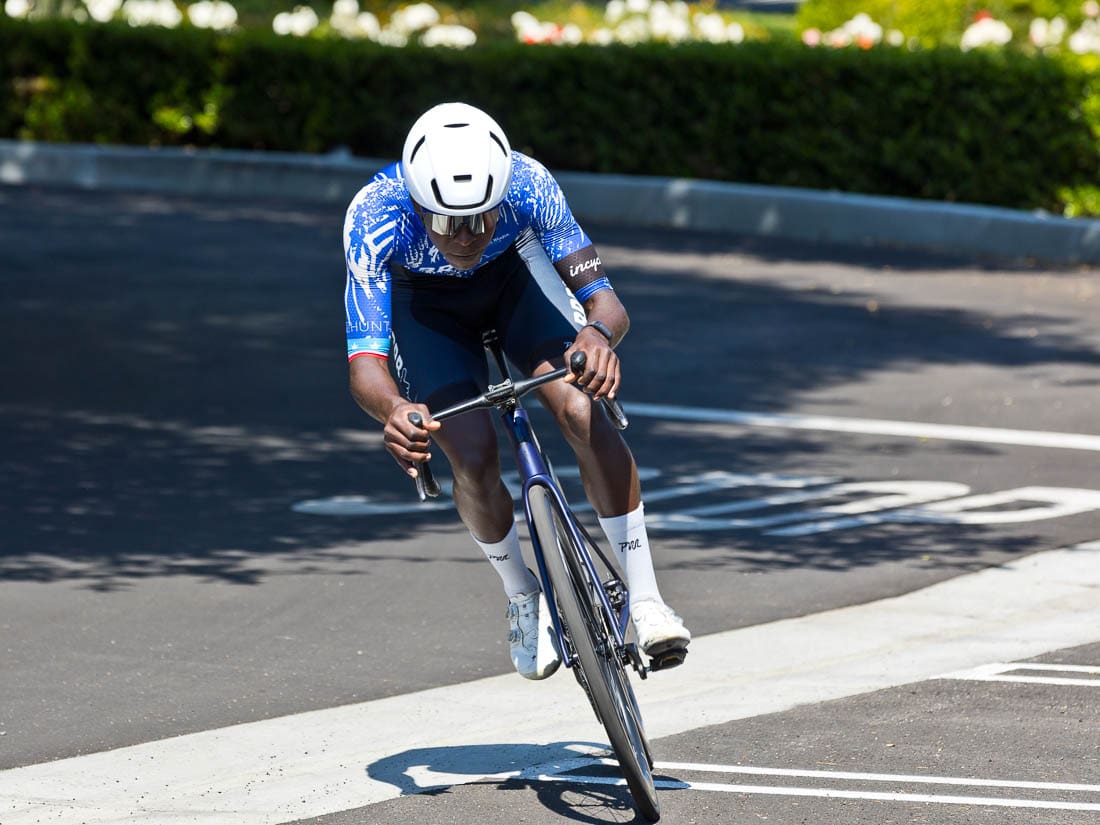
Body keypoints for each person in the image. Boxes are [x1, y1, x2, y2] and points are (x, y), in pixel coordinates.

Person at [343, 101, 690, 680]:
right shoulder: (373, 214)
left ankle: (648, 600)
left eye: (482, 217)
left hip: (516, 282)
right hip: (426, 309)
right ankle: (522, 594)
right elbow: (365, 365)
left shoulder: (529, 183)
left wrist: (598, 336)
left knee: (580, 408)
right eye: (448, 222)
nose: (466, 237)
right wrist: (396, 409)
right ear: (416, 203)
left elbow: (607, 304)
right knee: (472, 455)